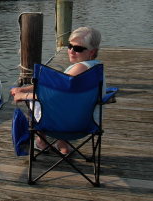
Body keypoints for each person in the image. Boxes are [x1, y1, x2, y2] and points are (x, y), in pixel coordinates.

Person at [10, 26, 105, 155]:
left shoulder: (78, 70)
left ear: (92, 52)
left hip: (62, 125)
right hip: (88, 124)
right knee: (68, 105)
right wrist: (24, 88)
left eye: (78, 49)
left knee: (40, 104)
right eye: (69, 46)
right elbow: (52, 87)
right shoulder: (96, 69)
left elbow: (52, 96)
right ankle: (63, 145)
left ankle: (41, 142)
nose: (71, 51)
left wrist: (23, 95)